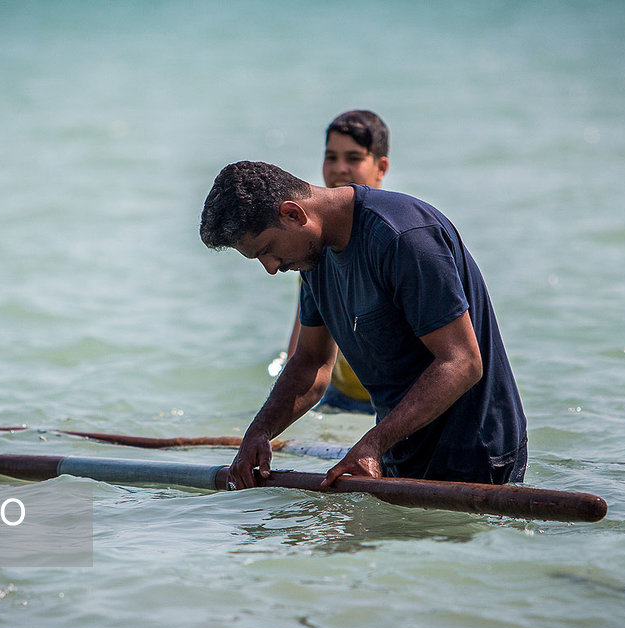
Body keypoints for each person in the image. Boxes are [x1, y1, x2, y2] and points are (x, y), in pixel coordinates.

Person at [199, 161, 527, 490]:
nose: (270, 267)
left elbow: (462, 362)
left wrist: (372, 444)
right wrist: (259, 433)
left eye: (267, 250)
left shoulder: (403, 237)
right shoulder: (312, 258)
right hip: (398, 450)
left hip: (476, 453)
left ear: (293, 214)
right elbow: (312, 363)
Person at [282, 110, 389, 415]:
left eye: (353, 158)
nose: (340, 169)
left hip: (389, 399)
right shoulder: (315, 242)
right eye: (331, 157)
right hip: (337, 396)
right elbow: (302, 338)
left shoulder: (394, 240)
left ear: (381, 167)